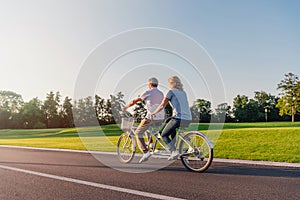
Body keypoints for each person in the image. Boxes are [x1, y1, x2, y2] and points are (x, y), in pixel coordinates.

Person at [122, 77, 165, 163]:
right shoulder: (161, 93)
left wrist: (125, 107)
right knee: (146, 127)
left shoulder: (148, 92)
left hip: (151, 117)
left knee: (138, 132)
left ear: (149, 84)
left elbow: (135, 101)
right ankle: (151, 144)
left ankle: (145, 152)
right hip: (161, 117)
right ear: (157, 84)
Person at [151, 76, 192, 160]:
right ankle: (190, 146)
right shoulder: (183, 92)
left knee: (164, 134)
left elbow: (162, 105)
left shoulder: (171, 92)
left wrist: (154, 113)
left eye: (169, 83)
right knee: (173, 130)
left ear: (172, 83)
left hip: (178, 118)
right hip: (188, 118)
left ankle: (173, 151)